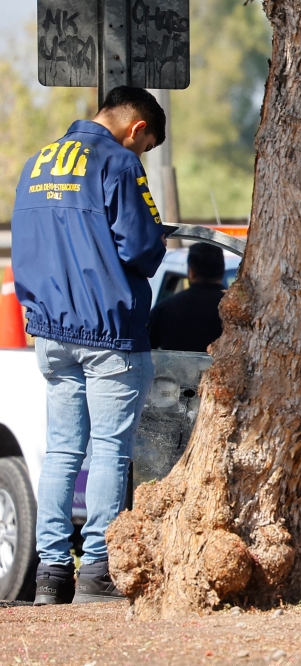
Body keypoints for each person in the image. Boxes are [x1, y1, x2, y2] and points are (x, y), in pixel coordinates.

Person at [11, 86, 168, 604]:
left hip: (51, 332)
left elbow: (24, 246)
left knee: (61, 452)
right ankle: (98, 570)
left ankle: (52, 574)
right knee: (108, 452)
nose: (138, 154)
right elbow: (143, 246)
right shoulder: (119, 164)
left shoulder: (37, 163)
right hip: (108, 332)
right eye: (143, 147)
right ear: (136, 129)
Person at [149, 243, 227, 353]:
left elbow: (145, 352)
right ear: (222, 272)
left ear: (191, 273)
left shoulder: (164, 309)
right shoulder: (235, 310)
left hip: (174, 370)